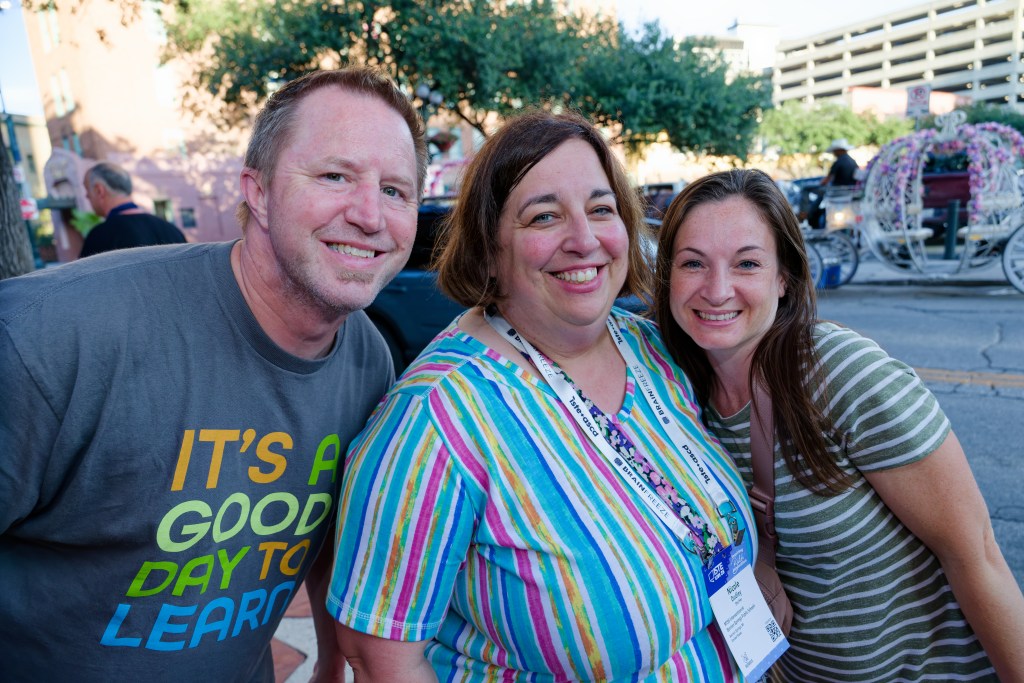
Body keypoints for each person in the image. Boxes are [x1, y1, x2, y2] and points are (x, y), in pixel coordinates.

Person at [0, 66, 427, 682]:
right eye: (335, 176)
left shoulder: (366, 358)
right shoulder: (49, 338)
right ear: (256, 190)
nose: (370, 214)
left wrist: (332, 667)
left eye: (396, 191)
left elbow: (328, 538)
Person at [326, 110, 760, 682]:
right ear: (488, 251)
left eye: (601, 209)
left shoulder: (653, 349)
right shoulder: (436, 419)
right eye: (544, 216)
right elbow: (379, 652)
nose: (584, 240)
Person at [653, 168, 1024, 682]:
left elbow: (977, 555)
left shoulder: (838, 371)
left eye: (747, 264)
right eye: (693, 263)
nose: (717, 290)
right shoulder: (669, 396)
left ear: (783, 278)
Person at [79, 161, 188, 257]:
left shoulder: (99, 237)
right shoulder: (171, 230)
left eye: (87, 189)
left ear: (99, 190)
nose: (86, 196)